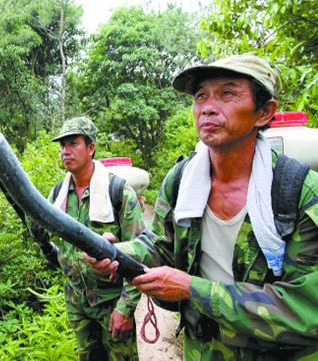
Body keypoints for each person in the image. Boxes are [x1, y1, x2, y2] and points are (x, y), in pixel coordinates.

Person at [85, 55, 318, 360]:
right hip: (203, 351)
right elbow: (161, 245)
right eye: (200, 96)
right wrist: (116, 254)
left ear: (264, 112)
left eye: (227, 93)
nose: (208, 107)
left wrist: (193, 290)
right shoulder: (183, 181)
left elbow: (305, 307)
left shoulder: (297, 191)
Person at [30, 116, 145, 361]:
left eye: (73, 143)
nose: (65, 151)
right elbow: (43, 236)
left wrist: (125, 309)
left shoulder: (119, 193)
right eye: (62, 146)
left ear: (91, 148)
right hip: (77, 301)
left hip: (112, 302)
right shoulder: (58, 194)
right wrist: (31, 211)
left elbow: (141, 255)